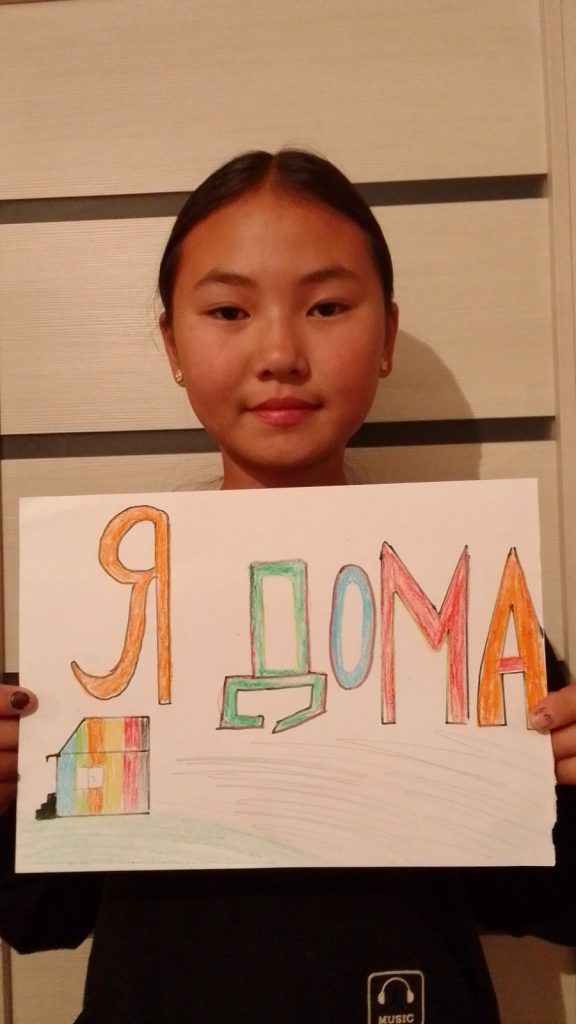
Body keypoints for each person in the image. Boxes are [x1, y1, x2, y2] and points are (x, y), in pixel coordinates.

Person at [1, 149, 576, 1023]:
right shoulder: (109, 620)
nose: (278, 353)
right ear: (173, 345)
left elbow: (548, 902)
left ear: (386, 337)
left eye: (327, 307)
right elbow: (42, 916)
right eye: (229, 311)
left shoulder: (459, 610)